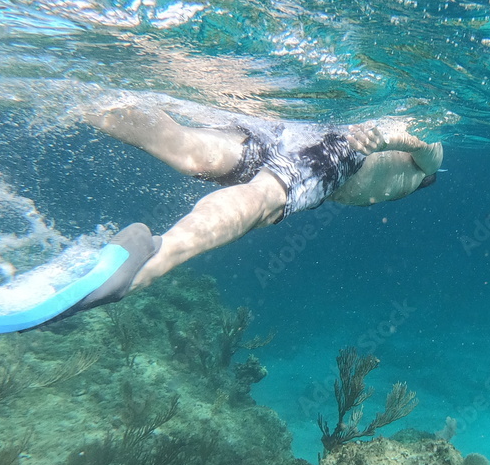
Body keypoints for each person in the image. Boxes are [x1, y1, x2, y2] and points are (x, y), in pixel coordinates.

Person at [70, 101, 443, 312]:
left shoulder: (404, 181)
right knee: (265, 200)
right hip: (340, 154)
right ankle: (152, 260)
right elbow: (431, 154)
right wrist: (396, 137)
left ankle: (87, 104)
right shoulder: (420, 175)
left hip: (290, 134)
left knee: (190, 152)